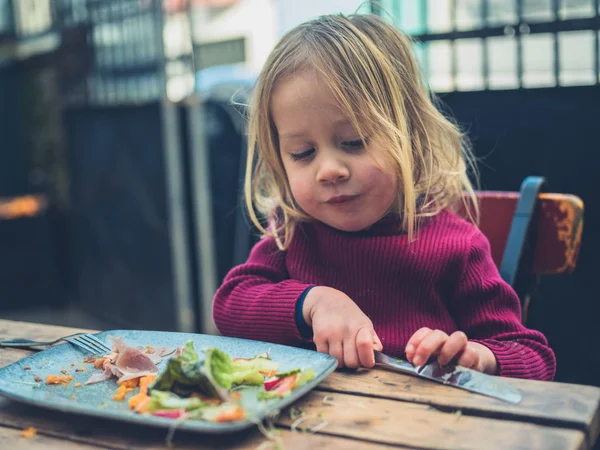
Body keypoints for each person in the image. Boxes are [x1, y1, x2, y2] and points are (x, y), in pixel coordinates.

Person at [212, 13, 555, 380]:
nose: (329, 170)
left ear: (411, 136)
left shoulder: (457, 245)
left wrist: (479, 358)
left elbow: (533, 356)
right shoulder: (293, 230)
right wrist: (312, 302)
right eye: (302, 153)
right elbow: (230, 305)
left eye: (353, 142)